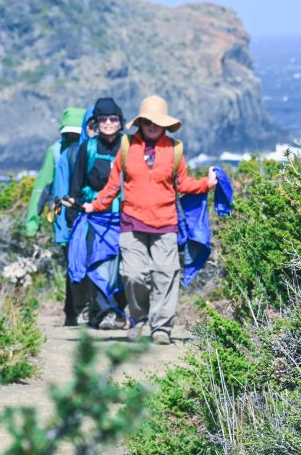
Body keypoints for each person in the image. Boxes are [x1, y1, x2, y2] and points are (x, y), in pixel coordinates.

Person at [84, 95, 217, 344]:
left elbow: (182, 183)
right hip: (131, 222)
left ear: (164, 124)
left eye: (157, 121)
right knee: (133, 275)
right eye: (148, 121)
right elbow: (113, 185)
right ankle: (138, 318)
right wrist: (96, 205)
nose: (152, 125)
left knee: (166, 274)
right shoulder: (126, 145)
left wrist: (205, 184)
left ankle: (161, 328)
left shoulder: (175, 149)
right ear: (141, 123)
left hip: (166, 223)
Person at [65, 97, 128, 330]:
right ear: (96, 122)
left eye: (113, 119)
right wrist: (74, 213)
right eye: (104, 119)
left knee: (122, 266)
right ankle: (103, 313)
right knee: (97, 263)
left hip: (123, 215)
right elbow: (76, 185)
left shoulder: (129, 147)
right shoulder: (87, 148)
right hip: (95, 216)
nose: (109, 123)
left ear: (120, 122)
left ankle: (120, 310)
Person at [24, 106, 87, 326]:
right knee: (72, 260)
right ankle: (72, 311)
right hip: (63, 215)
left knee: (88, 259)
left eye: (76, 133)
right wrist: (32, 220)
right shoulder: (55, 151)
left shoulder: (92, 148)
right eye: (69, 133)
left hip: (88, 212)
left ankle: (83, 309)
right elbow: (42, 187)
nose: (73, 137)